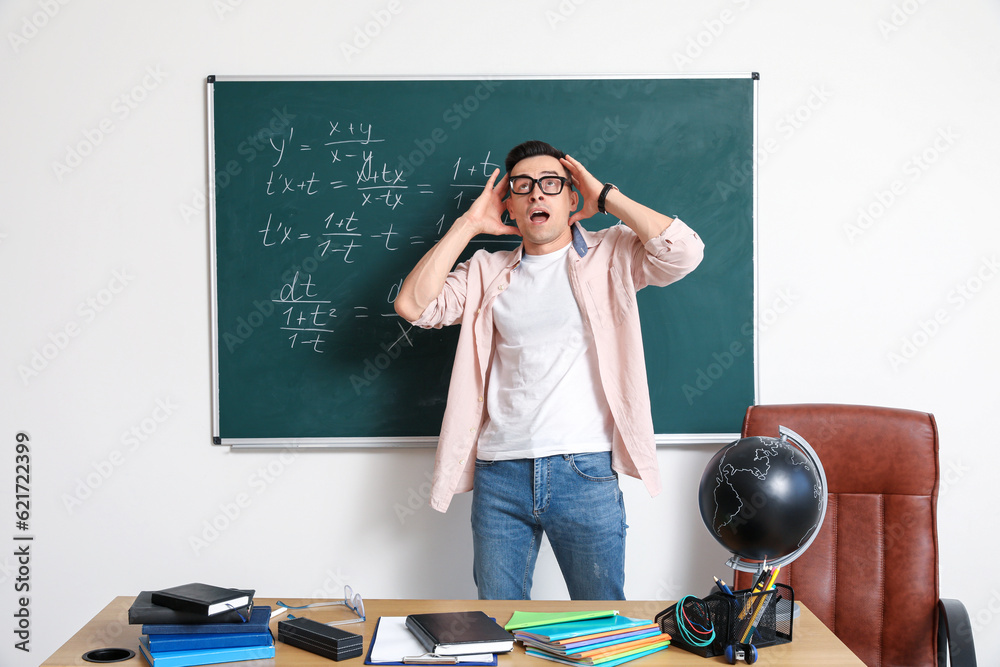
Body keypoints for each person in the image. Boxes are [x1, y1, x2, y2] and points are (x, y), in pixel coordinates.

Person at [394, 140, 704, 600]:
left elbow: (684, 253)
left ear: (571, 198)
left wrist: (607, 198)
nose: (537, 194)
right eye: (523, 187)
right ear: (510, 207)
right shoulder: (486, 270)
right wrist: (468, 225)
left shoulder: (612, 253)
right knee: (498, 628)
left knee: (602, 624)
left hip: (585, 471)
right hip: (500, 475)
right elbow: (413, 305)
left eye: (551, 184)